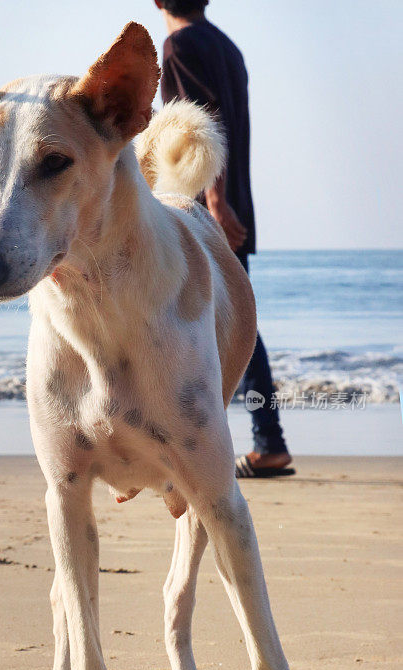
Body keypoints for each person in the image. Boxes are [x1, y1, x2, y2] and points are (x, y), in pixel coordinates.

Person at [155, 0, 294, 478]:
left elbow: (202, 122)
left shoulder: (179, 45)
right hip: (233, 203)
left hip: (203, 210)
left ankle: (233, 441)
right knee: (238, 324)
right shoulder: (228, 47)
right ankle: (264, 439)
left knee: (191, 321)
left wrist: (215, 202)